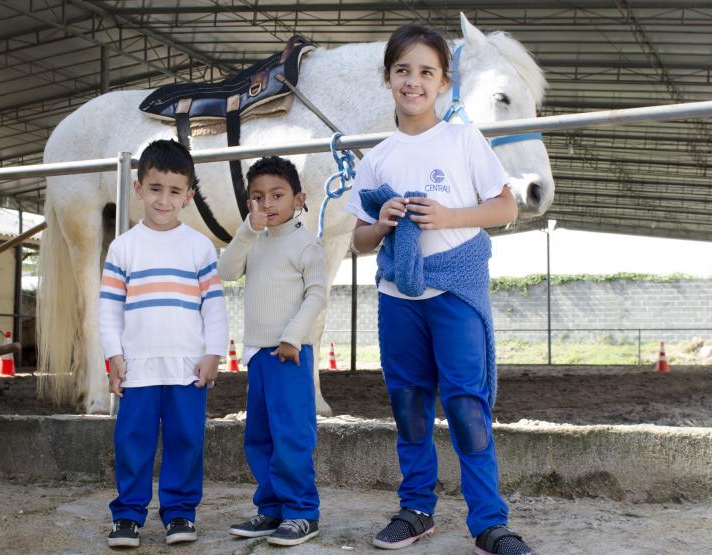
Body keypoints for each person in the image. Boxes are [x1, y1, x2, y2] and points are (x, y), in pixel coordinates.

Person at [343, 22, 534, 555]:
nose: (413, 81)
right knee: (408, 406)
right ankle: (416, 509)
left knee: (468, 407)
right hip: (398, 298)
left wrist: (450, 214)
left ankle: (490, 522)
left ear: (444, 81)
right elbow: (357, 241)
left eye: (426, 71)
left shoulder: (463, 138)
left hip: (455, 292)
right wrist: (379, 222)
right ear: (388, 78)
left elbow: (505, 206)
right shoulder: (375, 158)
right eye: (403, 70)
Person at [98, 139, 228, 548]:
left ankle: (179, 514)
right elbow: (109, 310)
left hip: (187, 370)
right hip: (137, 369)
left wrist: (213, 354)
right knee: (131, 443)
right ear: (138, 188)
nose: (163, 199)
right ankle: (127, 516)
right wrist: (113, 357)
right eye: (155, 188)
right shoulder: (123, 248)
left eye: (174, 191)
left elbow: (215, 308)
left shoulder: (199, 247)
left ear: (189, 196)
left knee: (186, 441)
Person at [220, 156, 326, 547]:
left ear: (299, 199)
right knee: (259, 436)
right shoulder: (256, 240)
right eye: (258, 197)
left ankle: (302, 512)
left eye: (277, 195)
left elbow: (317, 295)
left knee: (292, 435)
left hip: (291, 354)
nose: (267, 203)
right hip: (259, 355)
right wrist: (247, 231)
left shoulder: (306, 243)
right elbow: (226, 271)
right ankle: (271, 508)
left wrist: (293, 336)